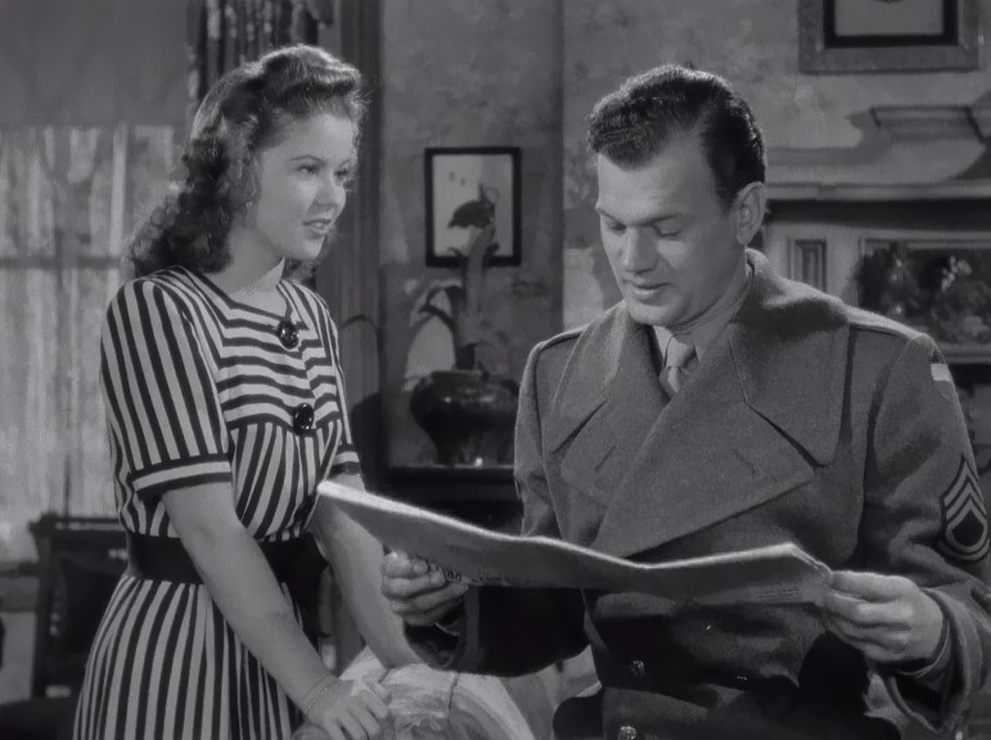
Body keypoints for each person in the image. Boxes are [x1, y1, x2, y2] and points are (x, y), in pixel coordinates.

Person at [381, 65, 991, 739]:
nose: (631, 259)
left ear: (745, 213)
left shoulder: (875, 366)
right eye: (614, 225)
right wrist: (447, 605)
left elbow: (969, 610)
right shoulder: (559, 374)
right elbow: (551, 606)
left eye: (665, 228)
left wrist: (932, 630)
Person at [73, 45, 392, 740]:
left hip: (279, 659)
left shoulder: (310, 316)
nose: (332, 198)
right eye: (307, 169)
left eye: (341, 173)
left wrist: (414, 669)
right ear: (240, 169)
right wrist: (319, 688)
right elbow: (211, 532)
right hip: (176, 658)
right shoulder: (160, 310)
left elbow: (344, 520)